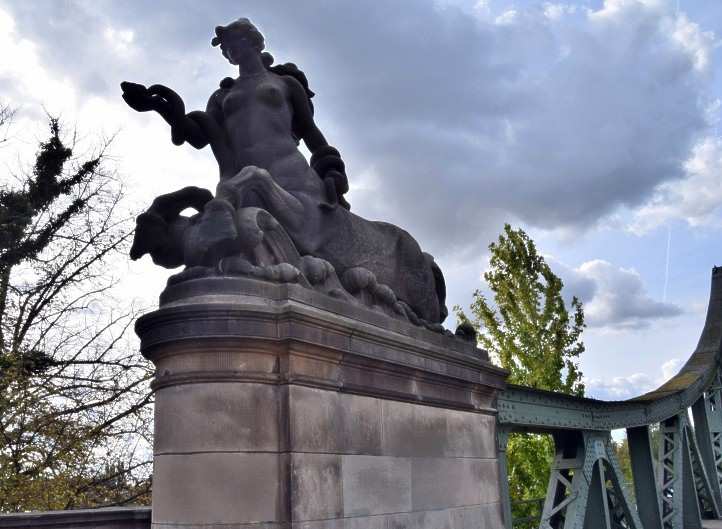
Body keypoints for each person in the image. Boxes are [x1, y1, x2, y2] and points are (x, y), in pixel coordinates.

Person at [121, 18, 447, 324]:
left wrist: (331, 169)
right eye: (225, 48)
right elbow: (197, 135)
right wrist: (159, 106)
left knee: (253, 179)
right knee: (249, 181)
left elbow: (310, 131)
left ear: (254, 42)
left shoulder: (285, 84)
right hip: (242, 183)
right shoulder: (222, 96)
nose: (230, 51)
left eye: (235, 42)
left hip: (295, 181)